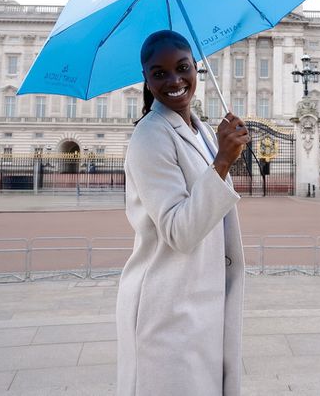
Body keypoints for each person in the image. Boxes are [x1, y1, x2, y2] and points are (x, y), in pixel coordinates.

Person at [116, 30, 250, 396]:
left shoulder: (202, 130)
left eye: (182, 68)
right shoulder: (150, 135)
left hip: (199, 298)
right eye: (159, 73)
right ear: (146, 79)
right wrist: (223, 161)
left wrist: (221, 153)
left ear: (196, 68)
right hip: (168, 305)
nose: (175, 81)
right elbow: (179, 230)